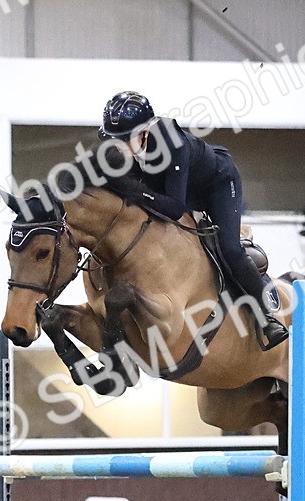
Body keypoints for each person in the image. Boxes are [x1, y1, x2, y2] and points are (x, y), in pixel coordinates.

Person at [98, 90, 288, 351]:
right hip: (180, 191)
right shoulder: (124, 152)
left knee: (230, 249)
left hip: (218, 186)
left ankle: (267, 315)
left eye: (123, 140)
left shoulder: (172, 143)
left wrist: (133, 190)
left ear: (145, 132)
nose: (117, 147)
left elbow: (174, 208)